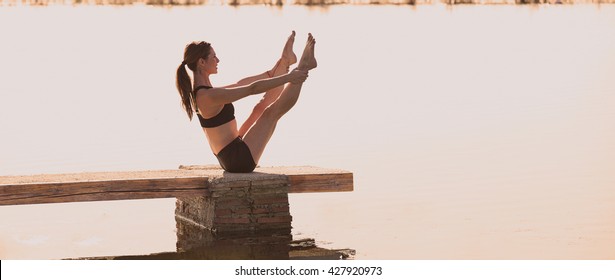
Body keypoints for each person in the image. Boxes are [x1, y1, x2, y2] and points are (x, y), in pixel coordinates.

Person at [175, 32, 317, 173]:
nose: (218, 60)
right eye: (214, 56)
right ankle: (303, 67)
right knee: (271, 113)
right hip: (238, 160)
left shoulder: (204, 92)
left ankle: (285, 61)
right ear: (202, 62)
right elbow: (252, 89)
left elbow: (240, 84)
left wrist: (271, 72)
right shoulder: (207, 96)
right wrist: (290, 77)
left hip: (232, 151)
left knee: (260, 107)